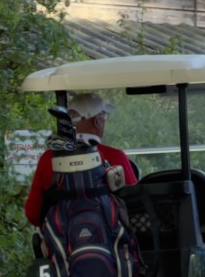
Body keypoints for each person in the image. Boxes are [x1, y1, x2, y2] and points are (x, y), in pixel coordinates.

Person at [23, 91, 139, 226]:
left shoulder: (48, 158)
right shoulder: (115, 156)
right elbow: (135, 208)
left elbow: (33, 214)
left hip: (65, 243)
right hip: (109, 242)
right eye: (104, 117)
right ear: (97, 121)